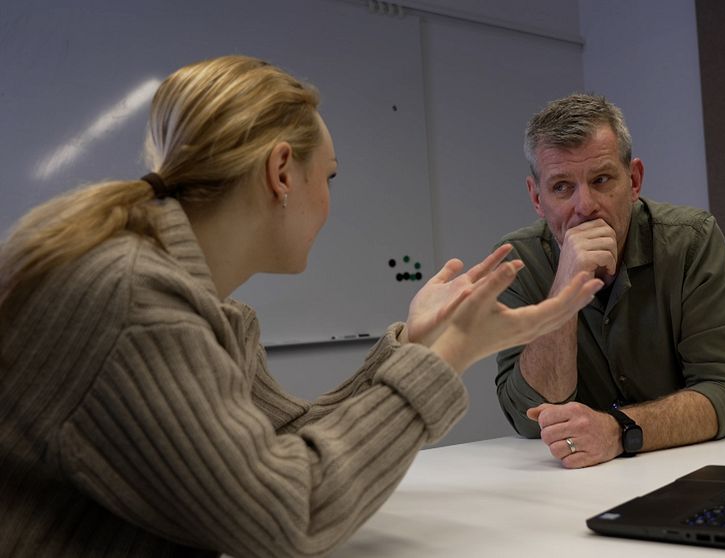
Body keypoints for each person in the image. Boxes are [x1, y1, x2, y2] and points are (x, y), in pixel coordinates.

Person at [0, 56, 602, 557]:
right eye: (330, 177)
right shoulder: (134, 301)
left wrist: (419, 347)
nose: (329, 201)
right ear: (282, 172)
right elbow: (291, 512)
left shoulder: (196, 303)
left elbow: (287, 439)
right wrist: (447, 358)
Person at [495, 93, 725, 470]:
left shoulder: (690, 239)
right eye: (562, 187)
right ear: (537, 198)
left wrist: (618, 431)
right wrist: (565, 294)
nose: (584, 206)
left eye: (601, 180)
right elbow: (526, 415)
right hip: (598, 482)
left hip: (724, 465)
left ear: (633, 181)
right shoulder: (517, 262)